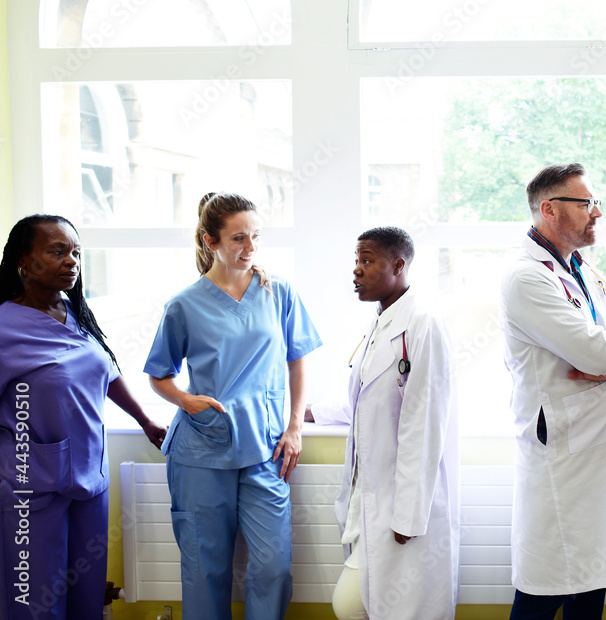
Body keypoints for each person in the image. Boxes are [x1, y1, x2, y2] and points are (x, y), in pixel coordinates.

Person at [144, 193, 322, 620]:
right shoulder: (184, 305)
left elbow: (298, 359)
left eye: (256, 236)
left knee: (272, 566)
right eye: (239, 238)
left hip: (266, 448)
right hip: (202, 451)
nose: (251, 247)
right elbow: (158, 375)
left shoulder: (277, 292)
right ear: (210, 241)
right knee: (205, 569)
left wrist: (294, 426)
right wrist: (186, 400)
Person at [499, 162, 606, 619]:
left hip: (596, 456)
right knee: (541, 595)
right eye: (586, 203)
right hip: (561, 459)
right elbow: (598, 353)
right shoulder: (528, 278)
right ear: (549, 210)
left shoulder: (581, 266)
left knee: (591, 587)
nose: (597, 213)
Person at [0, 214, 166, 620]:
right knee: (36, 598)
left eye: (76, 252)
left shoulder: (74, 314)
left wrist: (147, 422)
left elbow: (106, 373)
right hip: (30, 483)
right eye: (57, 251)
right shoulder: (5, 325)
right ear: (23, 259)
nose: (72, 261)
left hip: (89, 476)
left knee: (86, 589)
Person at [330, 226, 459, 620]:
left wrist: (408, 513)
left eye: (367, 260)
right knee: (362, 606)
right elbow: (370, 398)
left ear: (398, 265)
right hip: (371, 497)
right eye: (356, 260)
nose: (356, 270)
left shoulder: (423, 324)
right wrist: (311, 413)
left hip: (403, 505)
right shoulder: (381, 322)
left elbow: (423, 424)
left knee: (357, 605)